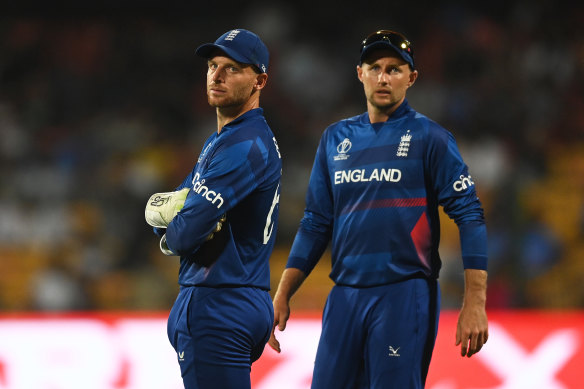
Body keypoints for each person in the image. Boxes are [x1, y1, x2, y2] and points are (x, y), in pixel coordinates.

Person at [269, 30, 488, 388]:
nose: (383, 77)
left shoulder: (430, 138)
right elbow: (315, 223)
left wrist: (474, 302)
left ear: (412, 78)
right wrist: (283, 293)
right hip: (344, 296)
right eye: (374, 67)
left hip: (403, 294)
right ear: (360, 73)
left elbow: (470, 216)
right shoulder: (335, 139)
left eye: (394, 69)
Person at [144, 28, 282, 389]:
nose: (217, 75)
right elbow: (176, 206)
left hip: (219, 301)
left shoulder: (244, 146)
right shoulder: (224, 141)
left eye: (233, 68)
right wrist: (180, 220)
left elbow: (184, 230)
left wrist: (172, 233)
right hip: (234, 295)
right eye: (213, 65)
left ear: (259, 81)